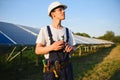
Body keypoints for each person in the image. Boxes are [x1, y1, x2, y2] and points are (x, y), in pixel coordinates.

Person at [35, 1, 76, 80]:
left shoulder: (68, 30)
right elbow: (37, 50)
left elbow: (74, 47)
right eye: (60, 10)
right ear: (53, 14)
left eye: (63, 10)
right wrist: (52, 47)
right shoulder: (45, 30)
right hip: (51, 71)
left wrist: (71, 48)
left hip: (67, 69)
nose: (63, 11)